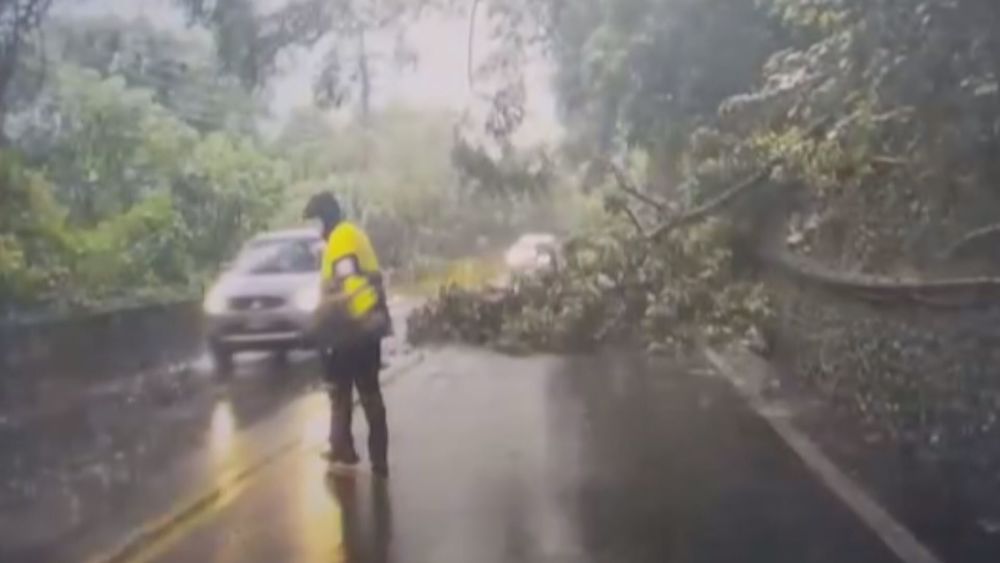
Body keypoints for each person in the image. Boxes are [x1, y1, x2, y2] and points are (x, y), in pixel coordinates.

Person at [304, 192, 390, 477]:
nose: (316, 231)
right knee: (348, 392)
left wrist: (324, 321)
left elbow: (347, 283)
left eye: (316, 222)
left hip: (354, 328)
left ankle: (361, 454)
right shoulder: (351, 235)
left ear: (326, 218)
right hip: (363, 325)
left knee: (358, 393)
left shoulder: (341, 238)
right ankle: (344, 448)